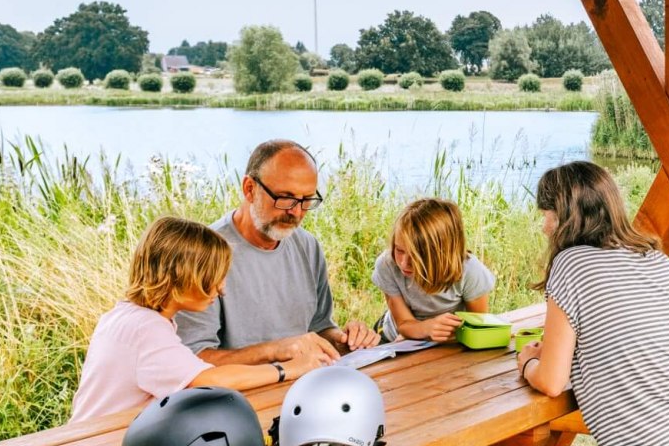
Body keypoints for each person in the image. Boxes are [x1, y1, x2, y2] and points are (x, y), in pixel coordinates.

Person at [517, 162, 669, 446]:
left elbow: (551, 381)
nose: (544, 227)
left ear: (565, 216)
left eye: (546, 215)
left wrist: (527, 363)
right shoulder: (656, 259)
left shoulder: (570, 263)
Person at [71, 217, 326, 423]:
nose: (222, 289)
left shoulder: (126, 315)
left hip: (92, 436)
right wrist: (290, 369)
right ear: (182, 276)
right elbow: (208, 381)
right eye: (213, 278)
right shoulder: (146, 328)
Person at [176, 140, 379, 366]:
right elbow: (192, 359)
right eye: (286, 198)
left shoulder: (308, 246)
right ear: (249, 189)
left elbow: (319, 328)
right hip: (237, 395)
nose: (296, 212)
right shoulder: (204, 255)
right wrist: (276, 351)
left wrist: (345, 341)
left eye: (306, 200)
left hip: (302, 384)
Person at [374, 197, 496, 342]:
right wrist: (426, 329)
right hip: (392, 335)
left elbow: (477, 325)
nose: (403, 263)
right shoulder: (387, 264)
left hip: (446, 341)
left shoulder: (470, 272)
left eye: (416, 256)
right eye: (399, 250)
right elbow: (404, 324)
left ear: (440, 254)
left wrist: (436, 333)